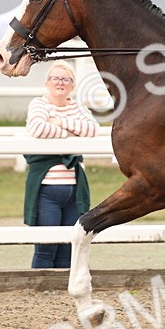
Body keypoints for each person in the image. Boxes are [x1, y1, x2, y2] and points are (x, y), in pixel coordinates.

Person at [23, 60, 99, 268]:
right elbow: (38, 128)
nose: (60, 83)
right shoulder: (39, 104)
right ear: (47, 82)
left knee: (69, 246)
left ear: (72, 85)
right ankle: (40, 291)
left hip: (75, 189)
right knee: (46, 247)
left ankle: (61, 294)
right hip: (47, 188)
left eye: (66, 79)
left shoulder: (77, 106)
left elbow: (93, 129)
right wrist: (72, 135)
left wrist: (60, 124)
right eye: (55, 78)